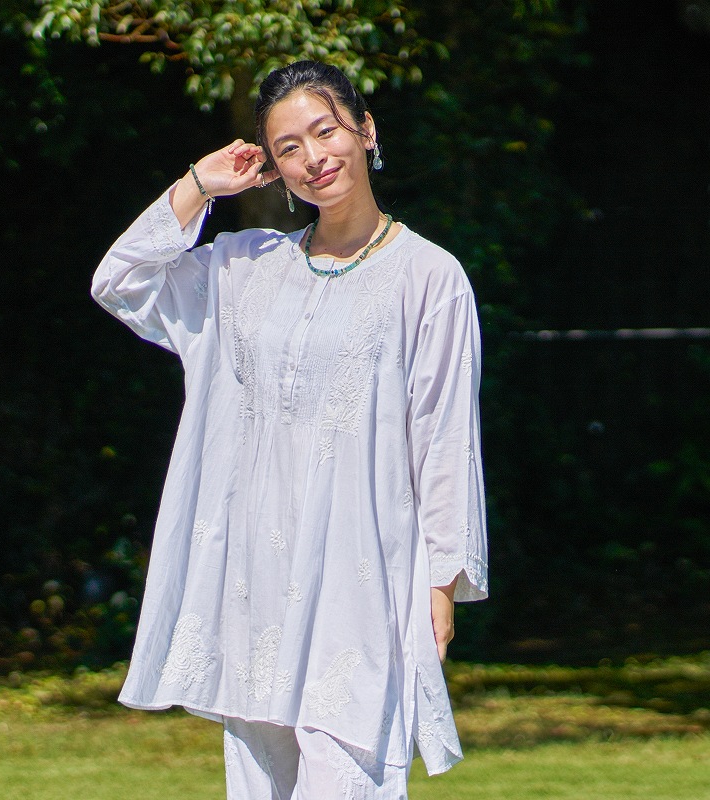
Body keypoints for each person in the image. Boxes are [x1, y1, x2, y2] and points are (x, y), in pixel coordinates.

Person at [92, 60, 487, 800]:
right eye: (289, 148)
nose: (314, 157)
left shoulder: (429, 278)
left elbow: (443, 438)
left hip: (363, 584)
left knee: (352, 780)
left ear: (366, 131)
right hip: (254, 587)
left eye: (325, 131)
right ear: (272, 168)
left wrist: (441, 585)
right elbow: (121, 282)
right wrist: (200, 184)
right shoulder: (244, 267)